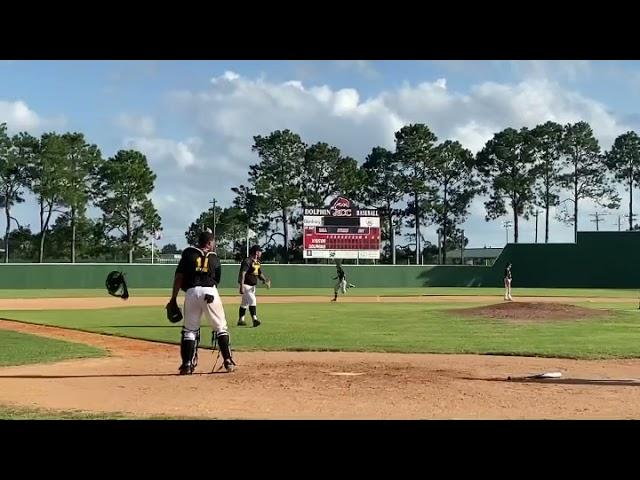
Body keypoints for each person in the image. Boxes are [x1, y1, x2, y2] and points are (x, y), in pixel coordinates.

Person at [169, 231, 235, 375]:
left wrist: (173, 298)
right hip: (210, 292)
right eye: (213, 242)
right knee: (220, 328)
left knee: (189, 331)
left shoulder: (188, 253)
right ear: (209, 243)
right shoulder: (215, 258)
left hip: (191, 292)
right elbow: (216, 280)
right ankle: (228, 361)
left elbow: (179, 277)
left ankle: (186, 365)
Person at [237, 245, 270, 327]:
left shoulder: (257, 261)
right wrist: (241, 285)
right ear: (256, 252)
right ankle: (254, 319)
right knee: (253, 300)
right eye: (260, 251)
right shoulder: (247, 261)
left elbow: (259, 273)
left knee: (244, 303)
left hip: (252, 286)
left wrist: (265, 280)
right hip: (246, 285)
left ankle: (241, 320)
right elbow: (243, 273)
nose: (261, 253)